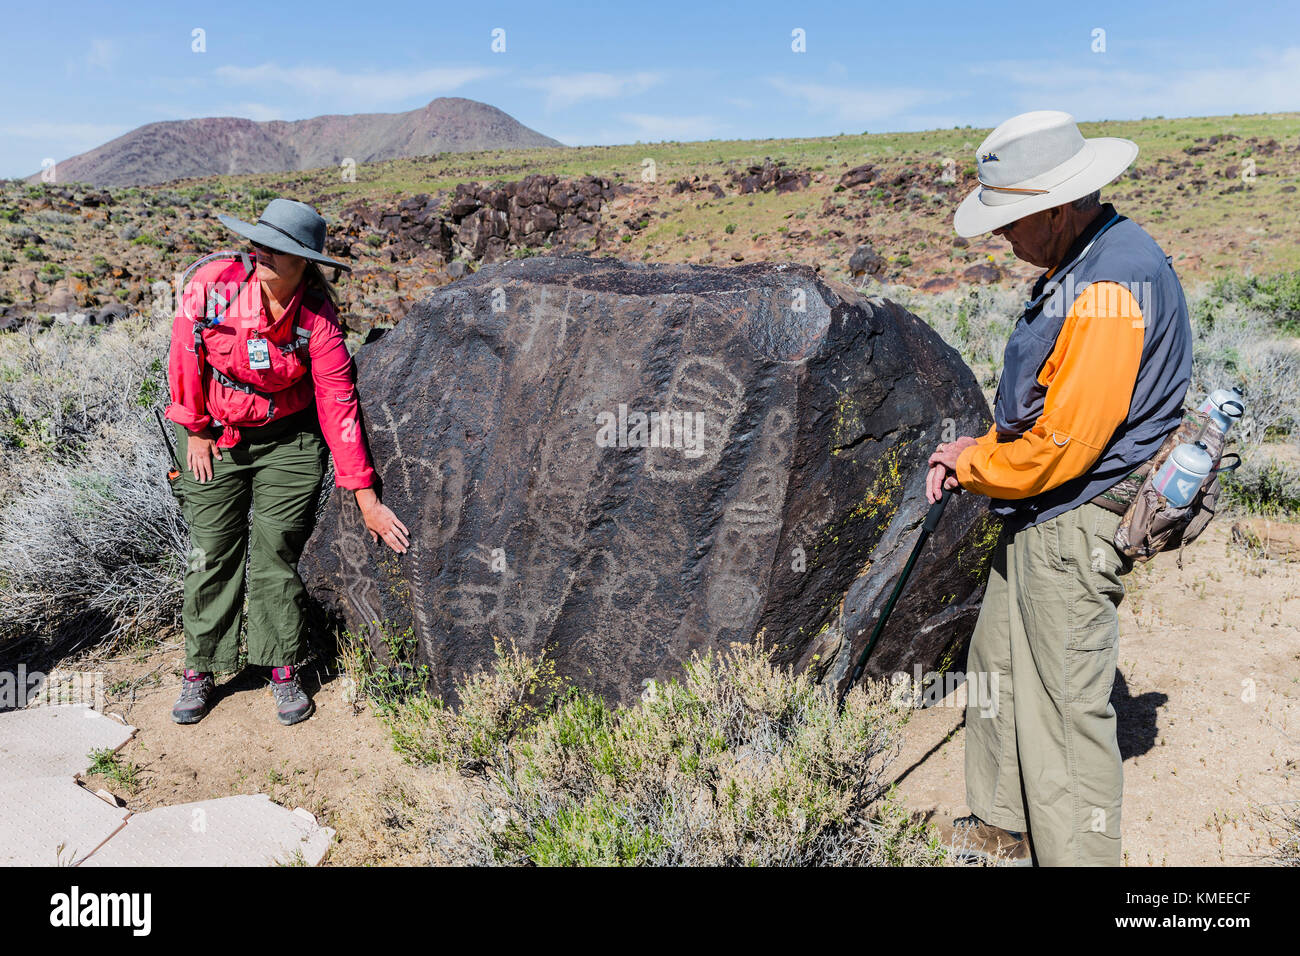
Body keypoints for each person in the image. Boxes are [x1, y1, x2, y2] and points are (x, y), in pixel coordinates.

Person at [927, 112, 1192, 866]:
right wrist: (977, 449)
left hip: (1077, 518)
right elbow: (1050, 405)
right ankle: (1002, 828)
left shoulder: (1110, 282)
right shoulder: (1085, 260)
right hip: (1044, 515)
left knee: (1065, 708)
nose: (1004, 240)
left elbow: (1067, 445)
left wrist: (977, 468)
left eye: (1011, 223)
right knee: (1001, 670)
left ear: (1054, 207)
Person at [165, 198, 408, 726]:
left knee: (276, 553)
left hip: (289, 444)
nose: (263, 255)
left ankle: (279, 664)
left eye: (279, 250)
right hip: (218, 437)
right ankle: (202, 667)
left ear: (305, 261)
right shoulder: (213, 285)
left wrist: (365, 496)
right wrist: (196, 430)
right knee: (211, 551)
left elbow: (337, 403)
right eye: (260, 244)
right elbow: (184, 353)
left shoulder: (317, 319)